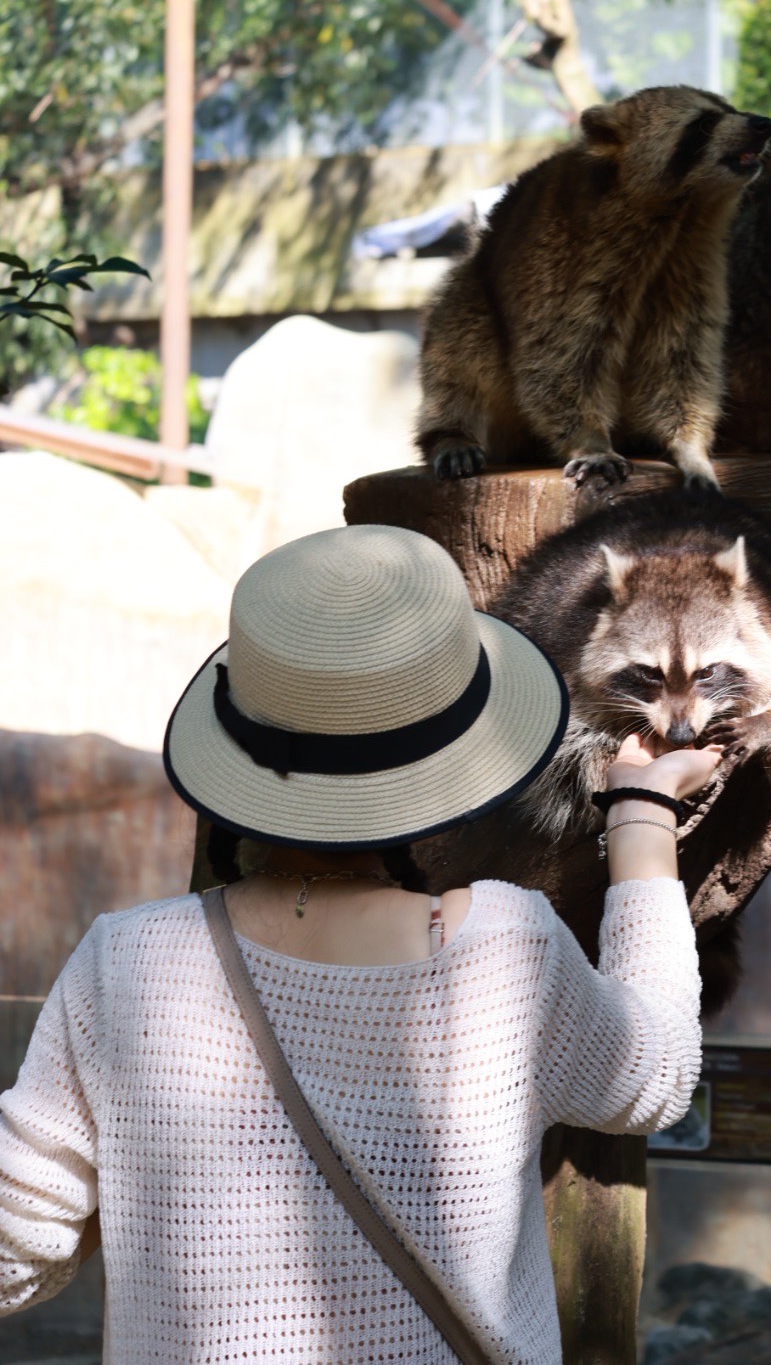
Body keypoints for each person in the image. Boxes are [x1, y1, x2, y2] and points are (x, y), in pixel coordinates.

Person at [0, 524, 720, 1364]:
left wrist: (125, 1188)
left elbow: (14, 1250)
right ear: (460, 751)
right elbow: (655, 1076)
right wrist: (641, 812)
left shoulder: (124, 966)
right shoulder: (505, 952)